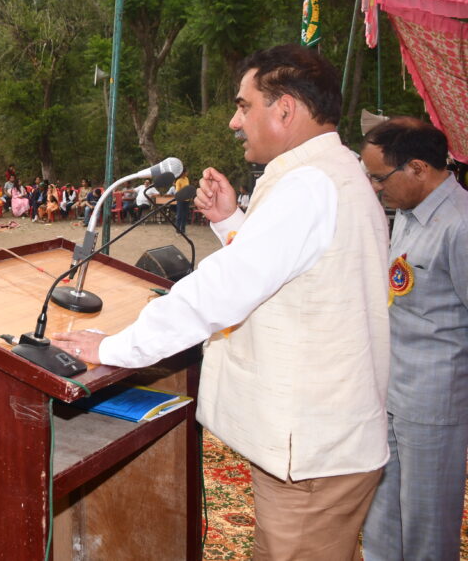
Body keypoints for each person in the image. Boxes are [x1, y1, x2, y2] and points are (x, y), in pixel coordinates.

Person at [52, 45, 390, 559]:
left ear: (285, 109)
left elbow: (221, 291)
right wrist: (232, 222)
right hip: (323, 441)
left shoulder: (307, 185)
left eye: (244, 106)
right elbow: (296, 274)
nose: (235, 121)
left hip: (314, 450)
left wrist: (114, 347)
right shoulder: (329, 173)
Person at [359, 118, 468, 561]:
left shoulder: (460, 224)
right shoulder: (407, 213)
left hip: (434, 401)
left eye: (380, 177)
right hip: (392, 387)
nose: (375, 187)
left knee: (427, 523)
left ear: (418, 168)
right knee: (382, 512)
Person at [174, 168, 191, 233]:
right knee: (179, 215)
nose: (187, 173)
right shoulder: (178, 181)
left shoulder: (187, 179)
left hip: (187, 199)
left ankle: (183, 230)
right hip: (181, 200)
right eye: (187, 172)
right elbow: (178, 191)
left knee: (185, 215)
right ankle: (177, 230)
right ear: (183, 172)